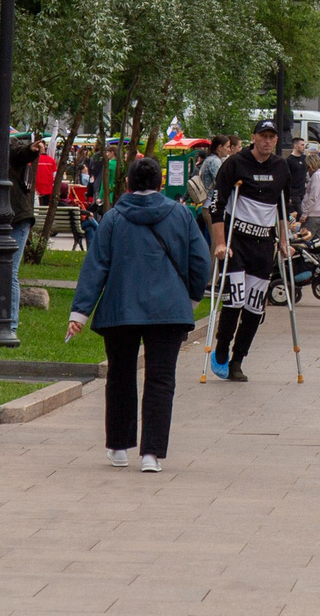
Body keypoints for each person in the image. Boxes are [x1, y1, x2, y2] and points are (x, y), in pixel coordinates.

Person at [68, 156, 209, 473]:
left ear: (128, 184)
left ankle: (119, 447)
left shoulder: (114, 218)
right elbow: (200, 261)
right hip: (169, 310)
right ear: (161, 183)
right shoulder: (181, 215)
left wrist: (79, 313)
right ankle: (151, 455)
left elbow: (96, 267)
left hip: (121, 308)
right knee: (161, 380)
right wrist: (191, 298)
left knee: (120, 376)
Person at [203, 122, 305, 383]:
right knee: (234, 300)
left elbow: (284, 208)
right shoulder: (235, 163)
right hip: (237, 242)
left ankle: (238, 360)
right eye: (263, 136)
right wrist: (220, 243)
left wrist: (284, 240)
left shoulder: (280, 167)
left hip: (263, 244)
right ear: (254, 137)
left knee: (254, 307)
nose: (268, 141)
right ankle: (223, 346)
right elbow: (218, 204)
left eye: (272, 137)